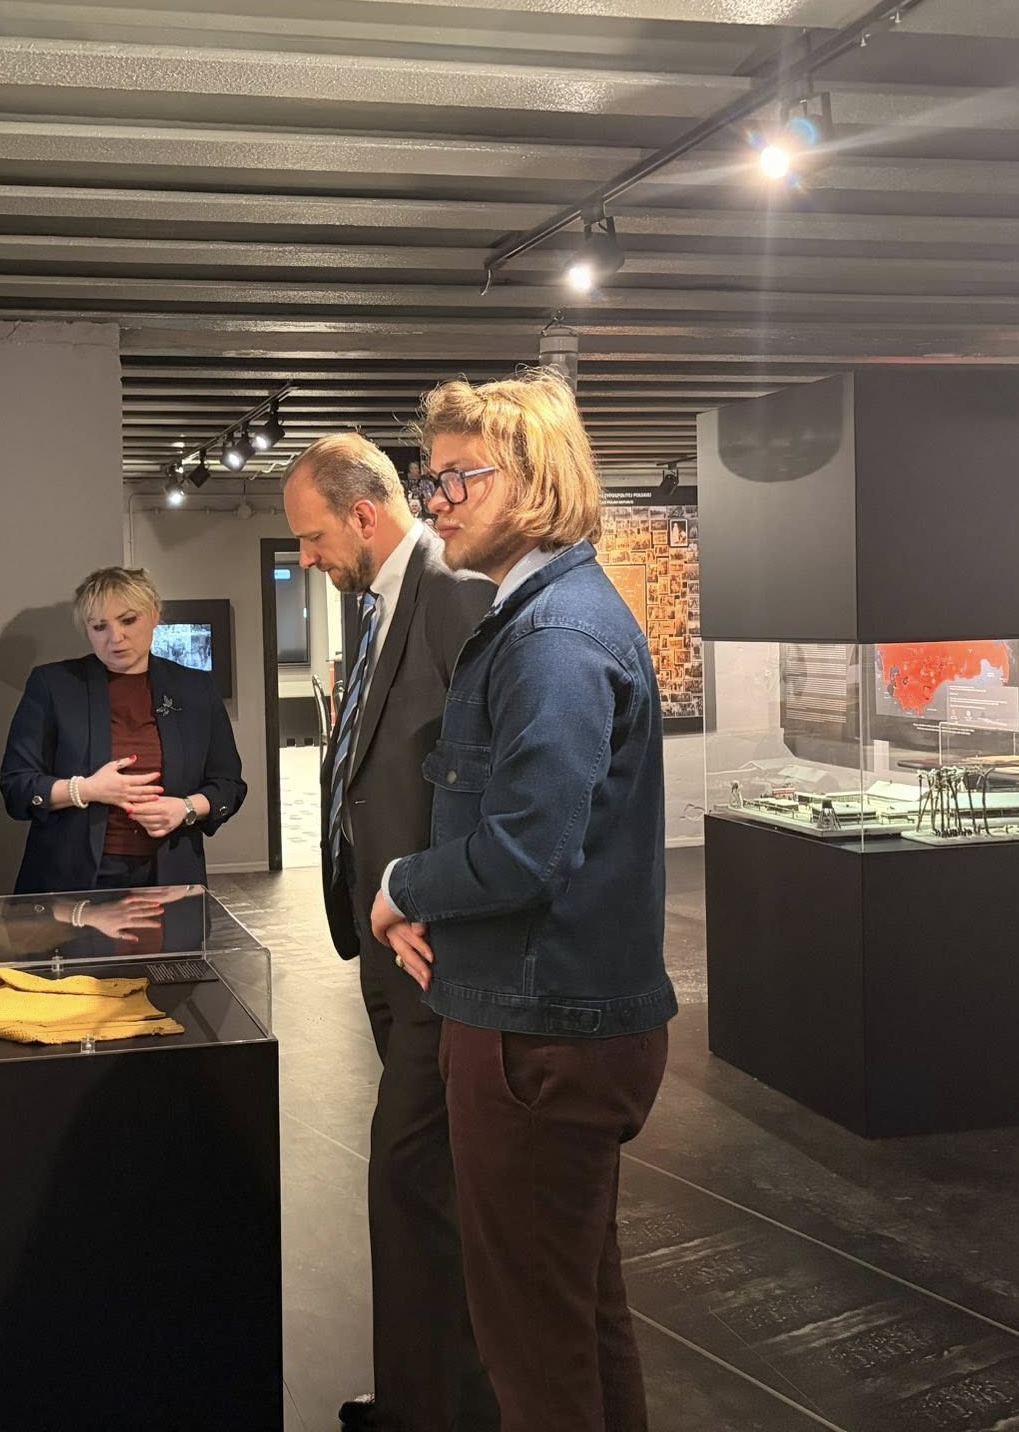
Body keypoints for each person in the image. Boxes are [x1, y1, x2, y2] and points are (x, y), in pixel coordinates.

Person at [370, 369, 677, 1432]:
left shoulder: (551, 639)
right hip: (549, 1019)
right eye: (431, 479)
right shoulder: (548, 620)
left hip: (535, 1035)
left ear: (536, 479)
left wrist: (401, 886)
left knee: (531, 1349)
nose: (435, 501)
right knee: (574, 1315)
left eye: (459, 477)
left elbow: (523, 852)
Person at [282, 435, 495, 1432]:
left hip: (433, 945)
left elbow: (489, 772)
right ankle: (424, 1392)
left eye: (311, 537)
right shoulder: (378, 603)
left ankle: (437, 1405)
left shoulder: (453, 596)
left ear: (363, 516)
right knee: (423, 1183)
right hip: (385, 937)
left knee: (413, 1176)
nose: (305, 558)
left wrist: (437, 897)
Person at [0, 567, 245, 895]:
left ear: (154, 615)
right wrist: (86, 790)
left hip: (170, 879)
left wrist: (185, 808)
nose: (115, 638)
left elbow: (228, 785)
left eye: (128, 620)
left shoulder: (196, 688)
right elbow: (16, 786)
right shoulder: (53, 685)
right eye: (99, 626)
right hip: (70, 881)